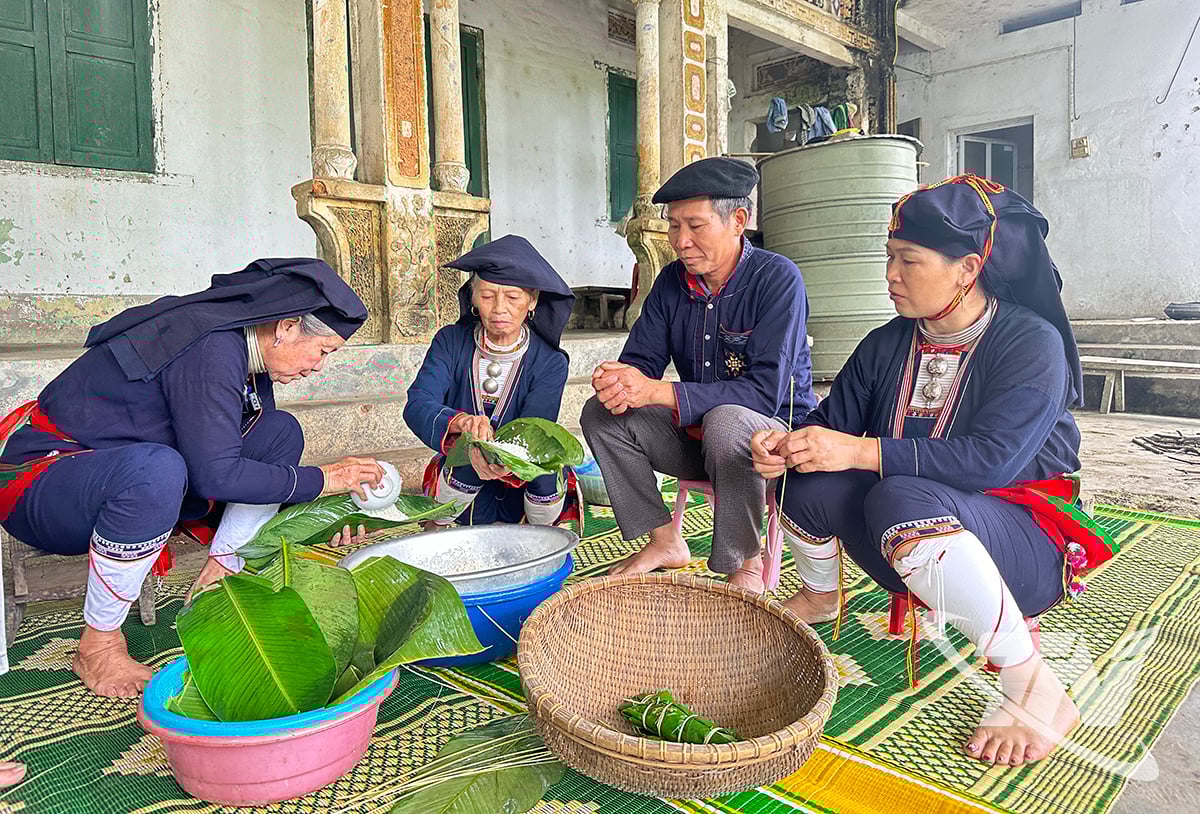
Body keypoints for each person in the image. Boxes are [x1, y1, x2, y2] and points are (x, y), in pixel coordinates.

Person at [751, 175, 1115, 767]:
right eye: (889, 258)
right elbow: (830, 424)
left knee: (899, 496)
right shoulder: (885, 344)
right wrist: (787, 446)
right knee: (806, 476)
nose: (889, 275)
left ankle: (1031, 682)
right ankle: (818, 596)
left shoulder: (1030, 342)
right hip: (912, 526)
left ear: (967, 268)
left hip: (1023, 537)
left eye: (908, 260)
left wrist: (859, 452)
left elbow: (993, 460)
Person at [0, 258, 386, 698]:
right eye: (324, 351)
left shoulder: (245, 352)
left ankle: (222, 571)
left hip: (132, 474)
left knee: (280, 433)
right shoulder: (210, 345)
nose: (319, 366)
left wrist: (323, 512)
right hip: (45, 481)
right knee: (156, 471)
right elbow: (217, 473)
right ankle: (97, 645)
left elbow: (249, 464)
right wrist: (326, 479)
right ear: (286, 327)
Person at [582, 157, 816, 592]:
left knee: (727, 420)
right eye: (673, 226)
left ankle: (744, 558)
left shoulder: (778, 279)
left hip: (770, 443)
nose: (681, 241)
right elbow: (641, 363)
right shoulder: (672, 282)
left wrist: (656, 391)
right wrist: (619, 383)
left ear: (738, 221)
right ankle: (664, 539)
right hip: (696, 438)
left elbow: (765, 394)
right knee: (600, 414)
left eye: (695, 225)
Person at [404, 235, 576, 525]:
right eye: (487, 296)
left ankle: (540, 541)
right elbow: (418, 403)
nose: (498, 308)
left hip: (521, 487)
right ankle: (442, 525)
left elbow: (531, 433)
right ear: (472, 296)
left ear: (532, 300)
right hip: (461, 482)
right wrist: (462, 425)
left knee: (545, 468)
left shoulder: (550, 362)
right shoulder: (450, 341)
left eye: (512, 297)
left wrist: (498, 457)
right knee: (467, 454)